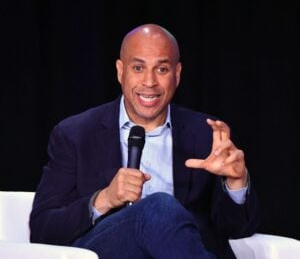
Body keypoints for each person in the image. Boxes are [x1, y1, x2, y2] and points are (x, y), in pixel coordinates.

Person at [29, 23, 260, 258]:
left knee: (163, 209)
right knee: (158, 206)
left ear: (177, 74)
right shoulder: (76, 134)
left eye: (161, 70)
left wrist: (235, 182)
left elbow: (238, 230)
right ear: (121, 71)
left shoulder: (206, 133)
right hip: (109, 249)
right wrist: (105, 198)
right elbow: (42, 229)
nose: (149, 82)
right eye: (138, 68)